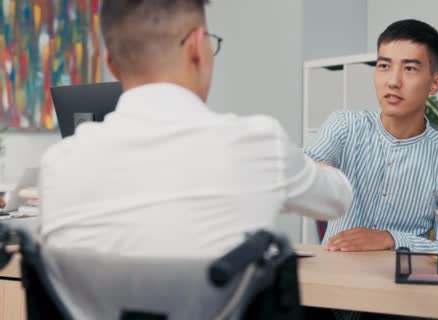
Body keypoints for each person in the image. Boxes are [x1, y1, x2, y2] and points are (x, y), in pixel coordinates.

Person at [39, 0, 352, 257]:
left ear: (111, 63)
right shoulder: (258, 144)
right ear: (197, 47)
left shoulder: (58, 164)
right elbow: (337, 199)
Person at [305, 19, 438, 255]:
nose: (393, 81)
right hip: (335, 275)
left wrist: (391, 239)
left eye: (409, 69)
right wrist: (313, 173)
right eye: (384, 66)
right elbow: (303, 169)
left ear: (434, 84)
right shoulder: (344, 126)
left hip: (403, 286)